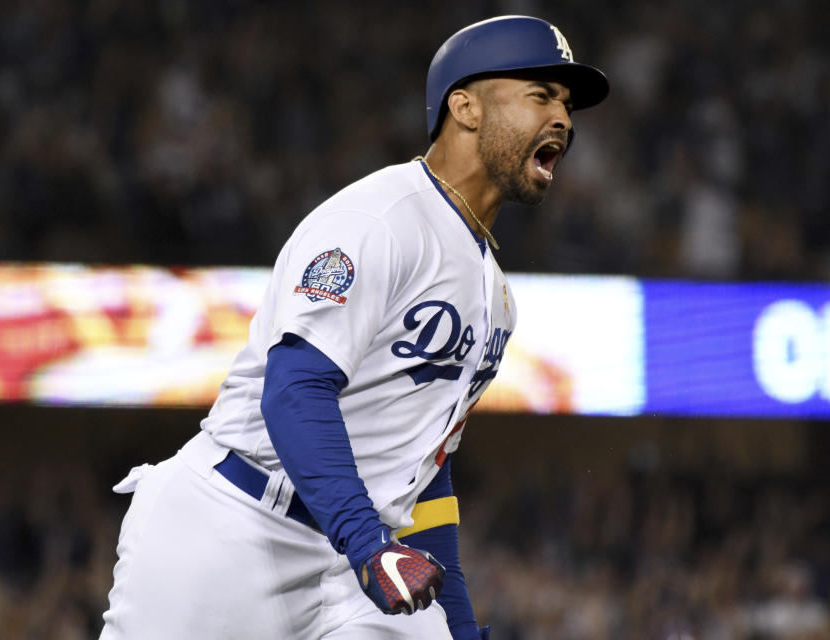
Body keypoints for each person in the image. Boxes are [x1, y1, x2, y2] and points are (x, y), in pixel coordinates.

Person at [100, 15, 608, 640]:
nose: (564, 117)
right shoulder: (380, 219)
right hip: (234, 524)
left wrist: (460, 623)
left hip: (362, 558)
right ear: (466, 107)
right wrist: (368, 545)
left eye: (566, 103)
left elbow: (426, 471)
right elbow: (295, 388)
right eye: (541, 95)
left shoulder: (496, 296)